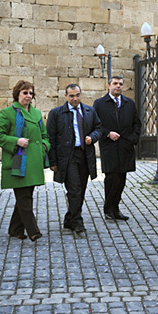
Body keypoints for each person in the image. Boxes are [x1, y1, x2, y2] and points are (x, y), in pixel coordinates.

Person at [0, 80, 49, 241]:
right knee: (24, 198)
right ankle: (33, 231)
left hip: (34, 161)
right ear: (17, 94)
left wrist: (43, 147)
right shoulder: (8, 113)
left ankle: (15, 229)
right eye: (25, 92)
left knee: (25, 195)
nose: (28, 96)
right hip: (19, 162)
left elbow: (45, 136)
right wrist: (16, 141)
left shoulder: (37, 113)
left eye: (31, 93)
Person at [47, 84, 102, 234]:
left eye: (77, 95)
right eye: (71, 96)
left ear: (81, 94)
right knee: (74, 189)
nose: (75, 98)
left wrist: (93, 137)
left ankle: (69, 218)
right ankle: (77, 222)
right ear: (66, 96)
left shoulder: (89, 111)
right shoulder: (56, 113)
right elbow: (50, 138)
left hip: (85, 155)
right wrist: (52, 162)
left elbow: (99, 128)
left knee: (81, 190)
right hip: (67, 157)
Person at [93, 76, 141, 221]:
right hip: (109, 147)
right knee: (111, 178)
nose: (118, 86)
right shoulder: (100, 103)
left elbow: (137, 123)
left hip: (126, 147)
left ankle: (116, 208)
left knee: (121, 179)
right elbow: (95, 125)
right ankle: (108, 209)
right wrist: (107, 133)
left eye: (120, 84)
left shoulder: (129, 103)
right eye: (115, 84)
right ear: (109, 86)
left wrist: (133, 138)